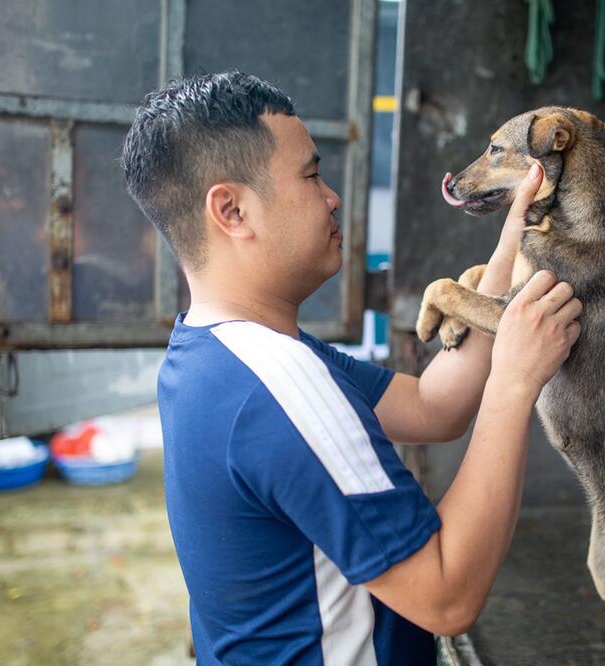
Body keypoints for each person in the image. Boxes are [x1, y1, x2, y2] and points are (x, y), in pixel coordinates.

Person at [121, 71, 581, 665]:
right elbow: (446, 597)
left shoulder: (216, 352)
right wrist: (516, 383)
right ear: (231, 209)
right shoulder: (280, 385)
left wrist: (508, 249)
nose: (332, 196)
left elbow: (435, 407)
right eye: (311, 175)